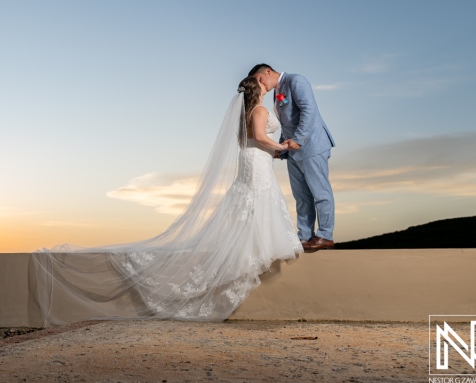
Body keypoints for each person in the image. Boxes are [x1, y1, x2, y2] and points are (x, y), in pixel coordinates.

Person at [32, 77, 302, 326]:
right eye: (263, 83)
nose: (267, 85)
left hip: (255, 160)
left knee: (250, 202)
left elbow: (252, 140)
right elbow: (259, 136)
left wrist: (274, 154)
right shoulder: (260, 111)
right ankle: (257, 245)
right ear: (258, 89)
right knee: (254, 200)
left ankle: (255, 242)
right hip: (257, 161)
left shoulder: (245, 113)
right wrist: (283, 147)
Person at [248, 64, 336, 251]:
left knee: (320, 193)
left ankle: (325, 236)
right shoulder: (276, 91)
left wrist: (298, 140)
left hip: (312, 145)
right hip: (294, 151)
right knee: (301, 196)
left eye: (259, 79)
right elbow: (287, 123)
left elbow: (308, 111)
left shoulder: (296, 80)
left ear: (268, 72)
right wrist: (283, 148)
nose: (259, 84)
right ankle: (304, 236)